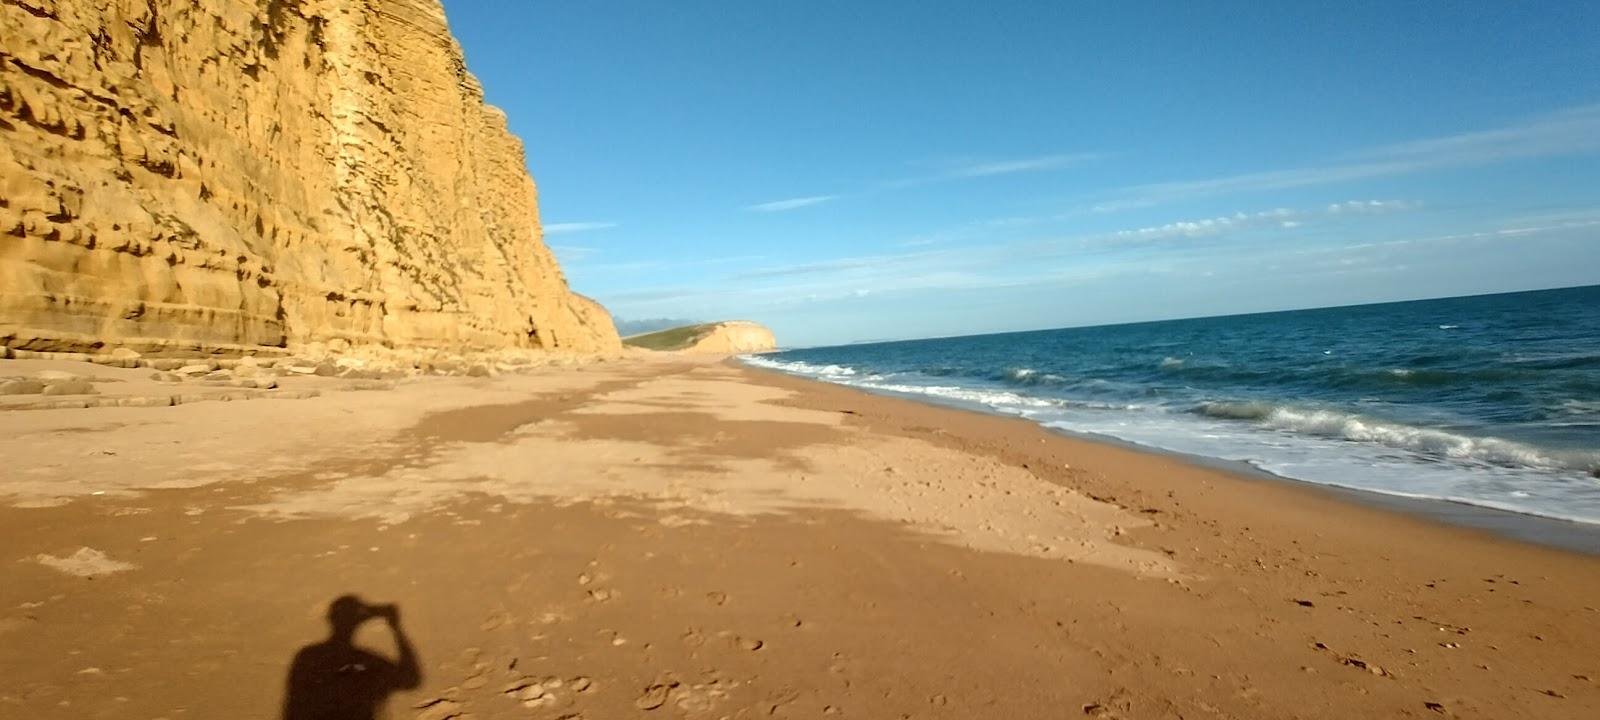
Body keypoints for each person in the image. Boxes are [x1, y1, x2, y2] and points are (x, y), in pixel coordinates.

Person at [281, 595, 421, 720]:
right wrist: (395, 627)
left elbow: (292, 707)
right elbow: (410, 679)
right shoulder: (366, 662)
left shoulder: (309, 657)